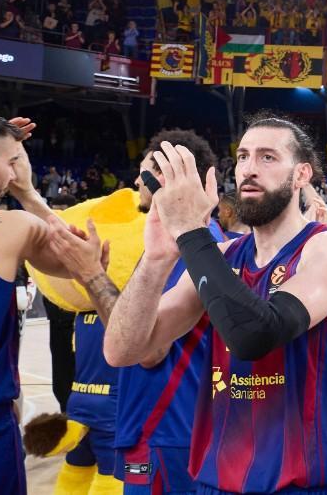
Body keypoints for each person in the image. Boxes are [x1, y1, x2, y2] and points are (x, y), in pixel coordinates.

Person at [102, 114, 327, 494]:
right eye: (243, 156)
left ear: (301, 175)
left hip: (301, 486)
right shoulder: (224, 255)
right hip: (217, 482)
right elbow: (121, 350)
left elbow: (256, 336)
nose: (248, 169)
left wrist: (192, 231)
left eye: (267, 157)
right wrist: (157, 258)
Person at [50, 130, 224, 494]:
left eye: (143, 172)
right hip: (180, 427)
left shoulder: (183, 247)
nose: (134, 182)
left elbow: (145, 348)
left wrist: (92, 275)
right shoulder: (201, 239)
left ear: (164, 177)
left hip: (165, 429)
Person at [0, 108, 82, 495]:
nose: (12, 173)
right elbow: (83, 257)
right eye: (11, 163)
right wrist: (27, 192)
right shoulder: (8, 228)